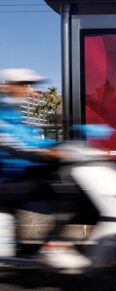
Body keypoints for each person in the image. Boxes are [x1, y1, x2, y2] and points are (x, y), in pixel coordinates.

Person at [0, 68, 91, 270]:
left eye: (30, 85)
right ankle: (53, 245)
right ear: (9, 86)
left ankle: (46, 245)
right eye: (24, 84)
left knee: (64, 180)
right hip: (6, 182)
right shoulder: (2, 114)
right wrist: (49, 153)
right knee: (63, 190)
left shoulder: (13, 113)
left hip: (18, 175)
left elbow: (31, 140)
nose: (29, 89)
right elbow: (15, 144)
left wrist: (63, 145)